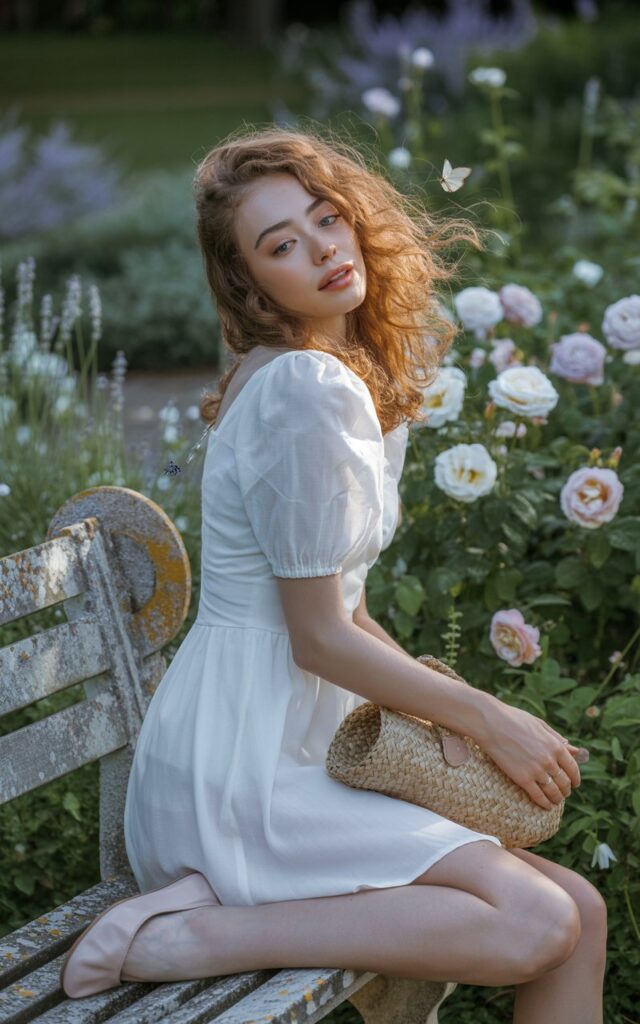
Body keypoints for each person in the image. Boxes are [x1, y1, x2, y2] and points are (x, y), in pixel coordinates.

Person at [60, 125, 607, 1021]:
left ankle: (205, 916)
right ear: (249, 284)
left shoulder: (318, 375)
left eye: (326, 219)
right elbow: (316, 635)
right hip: (245, 765)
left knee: (576, 916)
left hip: (289, 738)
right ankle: (185, 937)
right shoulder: (305, 389)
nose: (319, 249)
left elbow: (339, 608)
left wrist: (441, 707)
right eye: (281, 245)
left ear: (355, 220)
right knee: (536, 920)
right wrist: (488, 716)